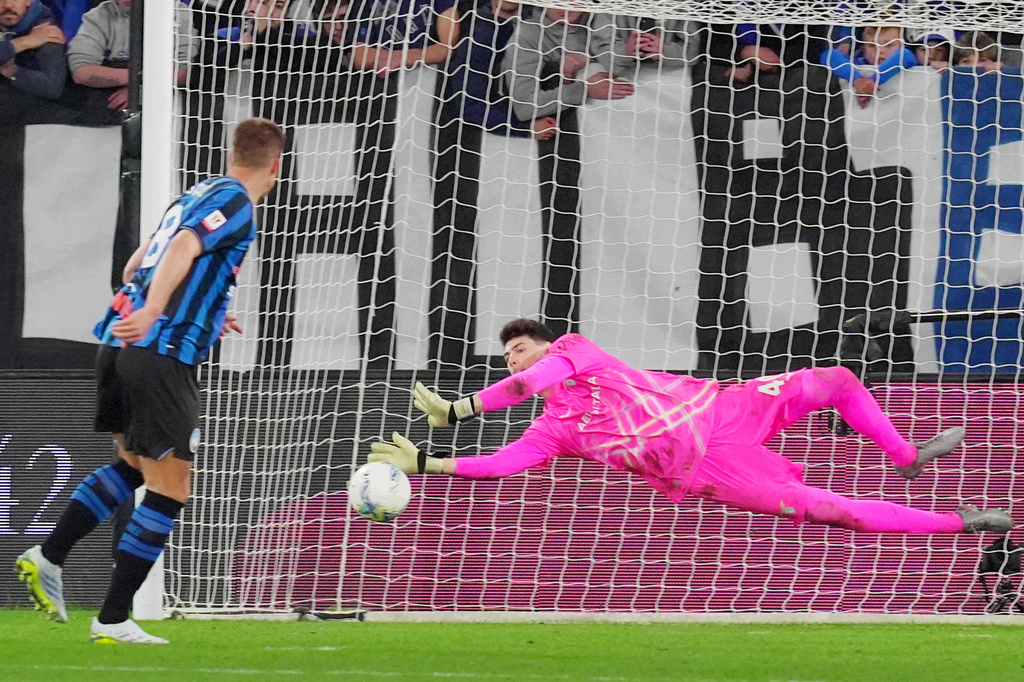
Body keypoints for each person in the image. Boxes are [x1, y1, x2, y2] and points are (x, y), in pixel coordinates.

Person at [15, 118, 285, 644]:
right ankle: (113, 618)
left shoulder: (196, 193)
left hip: (118, 346)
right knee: (171, 488)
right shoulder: (236, 203)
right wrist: (160, 310)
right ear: (275, 165)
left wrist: (203, 309)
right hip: (159, 351)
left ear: (232, 154)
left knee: (134, 467)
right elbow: (182, 248)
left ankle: (49, 556)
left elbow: (136, 266)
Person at [370, 318, 1014, 536]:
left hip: (722, 408)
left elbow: (525, 385)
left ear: (545, 345)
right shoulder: (554, 430)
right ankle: (958, 522)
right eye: (506, 354)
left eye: (520, 348)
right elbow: (501, 463)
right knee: (830, 510)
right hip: (706, 468)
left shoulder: (576, 352)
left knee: (839, 379)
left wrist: (460, 410)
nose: (514, 359)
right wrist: (427, 463)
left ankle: (905, 454)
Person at [821, 26, 918, 108]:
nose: (880, 50)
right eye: (872, 45)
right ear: (863, 49)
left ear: (902, 46)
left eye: (889, 45)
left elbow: (905, 55)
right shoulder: (857, 64)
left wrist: (871, 83)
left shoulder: (908, 61)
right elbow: (829, 55)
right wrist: (857, 79)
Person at [0, 0, 67, 102]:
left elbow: (52, 87)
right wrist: (22, 43)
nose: (8, 5)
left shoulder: (45, 30)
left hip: (29, 105)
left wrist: (14, 72)